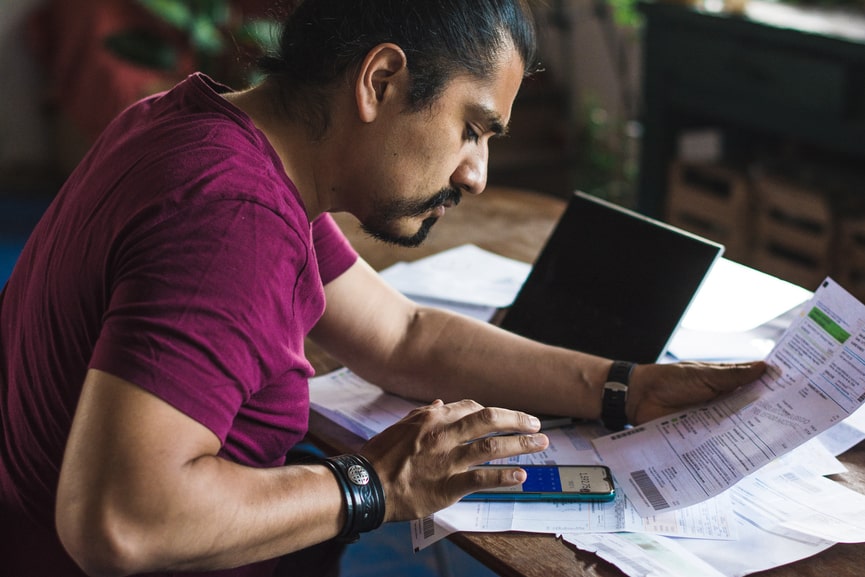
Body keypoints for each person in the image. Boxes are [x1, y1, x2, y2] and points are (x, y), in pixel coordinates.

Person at [0, 0, 765, 576]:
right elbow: (117, 521)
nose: (476, 173)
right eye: (471, 128)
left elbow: (402, 336)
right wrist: (377, 482)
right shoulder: (232, 217)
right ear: (381, 80)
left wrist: (628, 388)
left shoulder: (198, 132)